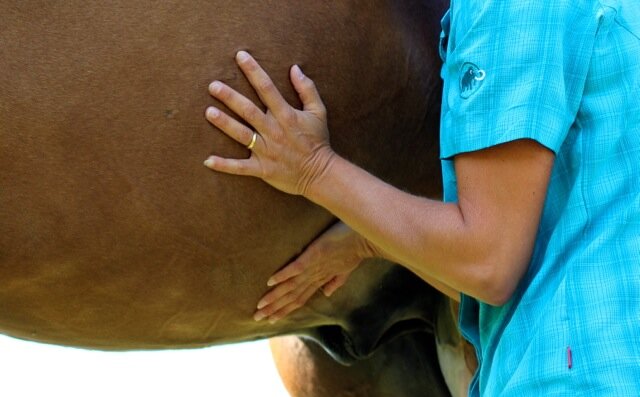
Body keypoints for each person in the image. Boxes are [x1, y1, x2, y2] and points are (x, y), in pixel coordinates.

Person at [202, 1, 640, 395]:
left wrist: (314, 168)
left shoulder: (511, 11)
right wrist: (367, 240)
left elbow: (488, 263)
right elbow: (531, 270)